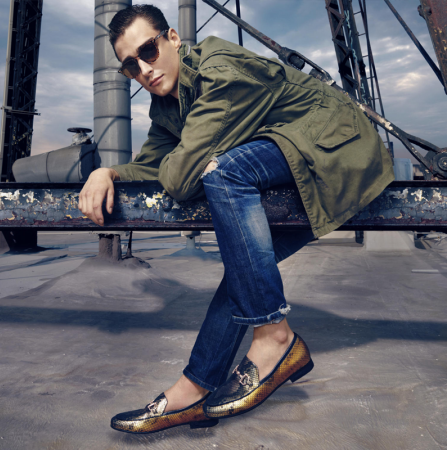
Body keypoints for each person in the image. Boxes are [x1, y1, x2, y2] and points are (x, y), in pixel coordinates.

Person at [78, 4, 394, 434]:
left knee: (224, 172)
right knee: (247, 269)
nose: (144, 70)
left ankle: (275, 338)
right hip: (297, 160)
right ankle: (194, 388)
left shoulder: (220, 72)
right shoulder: (166, 107)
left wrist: (178, 161)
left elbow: (177, 179)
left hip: (335, 145)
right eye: (131, 65)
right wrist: (108, 172)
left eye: (148, 50)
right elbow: (152, 165)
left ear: (173, 39)